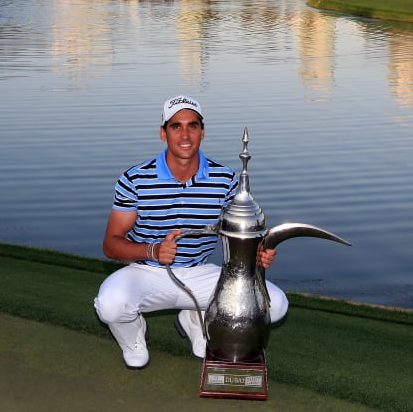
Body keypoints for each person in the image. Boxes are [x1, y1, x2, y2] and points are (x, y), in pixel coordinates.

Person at [93, 95, 288, 369]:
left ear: (202, 132)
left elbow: (237, 234)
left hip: (202, 272)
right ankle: (134, 339)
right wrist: (153, 250)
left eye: (192, 126)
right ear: (163, 133)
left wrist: (258, 254)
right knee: (110, 304)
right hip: (147, 271)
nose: (185, 135)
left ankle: (194, 317)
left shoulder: (226, 179)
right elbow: (110, 245)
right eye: (176, 126)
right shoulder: (134, 179)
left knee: (275, 305)